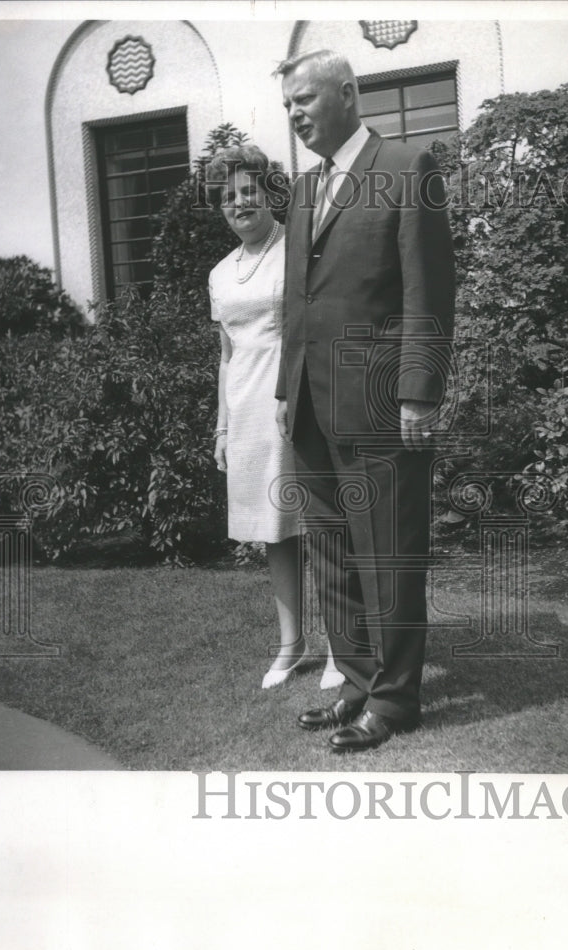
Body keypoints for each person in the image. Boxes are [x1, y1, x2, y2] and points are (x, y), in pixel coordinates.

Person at [274, 51, 456, 751]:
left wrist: (419, 393)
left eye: (305, 99)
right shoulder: (300, 191)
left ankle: (394, 699)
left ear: (347, 94)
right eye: (288, 104)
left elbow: (428, 294)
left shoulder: (409, 169)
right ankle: (354, 683)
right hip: (312, 409)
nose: (295, 113)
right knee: (334, 557)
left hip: (382, 406)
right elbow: (299, 301)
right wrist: (287, 390)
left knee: (388, 554)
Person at [206, 144, 343, 691]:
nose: (238, 203)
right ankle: (291, 644)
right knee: (274, 531)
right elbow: (225, 354)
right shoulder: (219, 273)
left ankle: (342, 644)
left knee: (321, 523)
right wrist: (220, 426)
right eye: (227, 196)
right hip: (245, 413)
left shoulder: (297, 249)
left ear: (269, 194)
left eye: (246, 191)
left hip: (296, 402)